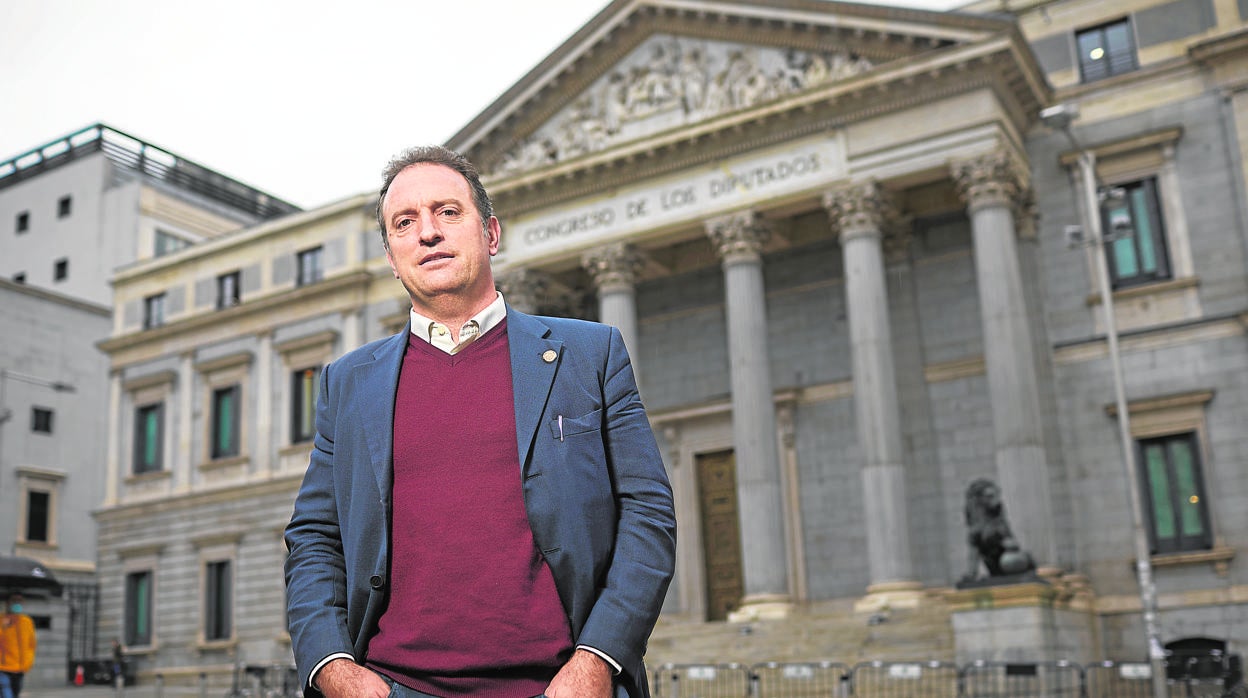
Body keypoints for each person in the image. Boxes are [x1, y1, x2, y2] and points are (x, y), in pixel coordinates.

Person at [284, 145, 676, 698]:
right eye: (405, 223)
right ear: (392, 257)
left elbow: (648, 512)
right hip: (394, 688)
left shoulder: (590, 354)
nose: (428, 233)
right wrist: (332, 667)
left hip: (557, 687)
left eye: (447, 212)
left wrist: (598, 659)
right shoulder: (347, 383)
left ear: (491, 233)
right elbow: (315, 537)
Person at [0, 594, 36, 698]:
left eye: (19, 602)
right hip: (3, 668)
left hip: (20, 668)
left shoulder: (26, 621)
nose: (17, 604)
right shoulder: (2, 620)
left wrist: (28, 661)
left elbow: (31, 644)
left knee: (15, 694)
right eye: (14, 601)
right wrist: (4, 627)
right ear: (8, 604)